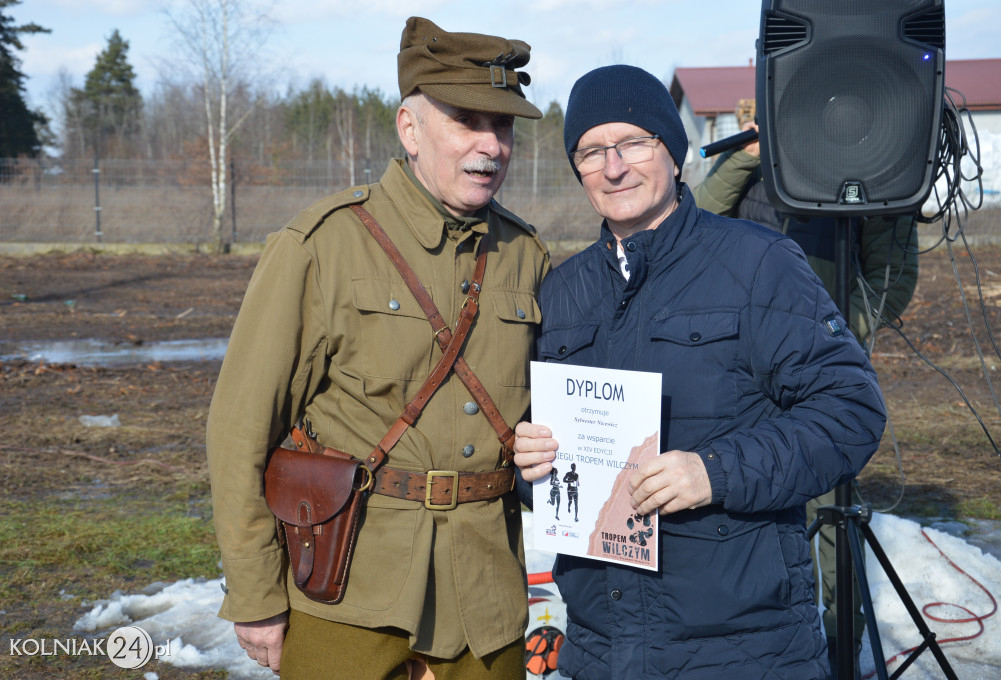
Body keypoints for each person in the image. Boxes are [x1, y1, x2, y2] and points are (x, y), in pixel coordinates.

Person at [513, 64, 887, 679]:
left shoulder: (757, 263)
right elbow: (551, 467)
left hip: (745, 652)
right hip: (604, 653)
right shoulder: (561, 293)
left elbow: (850, 412)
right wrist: (531, 464)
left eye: (634, 142)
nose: (613, 166)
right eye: (591, 151)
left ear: (674, 151)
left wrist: (713, 473)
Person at [206, 16, 550, 679]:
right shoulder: (322, 245)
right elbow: (240, 427)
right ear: (409, 129)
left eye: (503, 126)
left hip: (485, 604)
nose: (490, 145)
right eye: (466, 121)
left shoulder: (525, 256)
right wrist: (254, 593)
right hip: (349, 595)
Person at [693, 118, 919, 676]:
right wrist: (746, 157)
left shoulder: (854, 177)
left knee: (833, 534)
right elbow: (691, 226)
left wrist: (834, 334)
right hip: (733, 391)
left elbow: (889, 286)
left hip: (814, 394)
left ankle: (839, 654)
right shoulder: (747, 171)